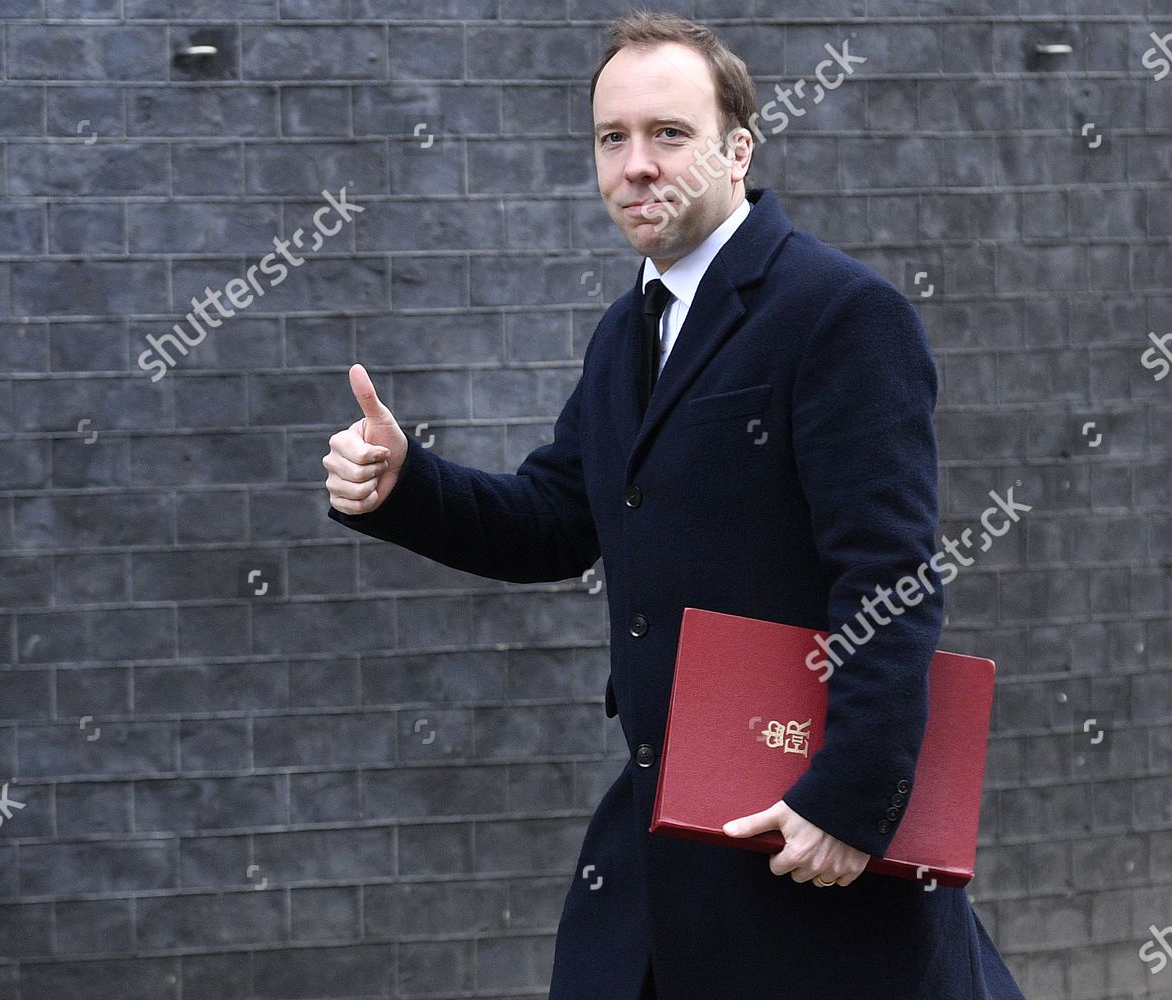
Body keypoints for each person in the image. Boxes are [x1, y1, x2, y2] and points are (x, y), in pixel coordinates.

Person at [323, 12, 1027, 999]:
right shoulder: (627, 331)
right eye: (613, 138)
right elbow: (558, 515)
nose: (637, 164)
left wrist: (853, 798)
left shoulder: (839, 314)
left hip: (806, 837)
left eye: (670, 134)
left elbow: (891, 576)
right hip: (668, 835)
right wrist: (407, 486)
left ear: (739, 148)